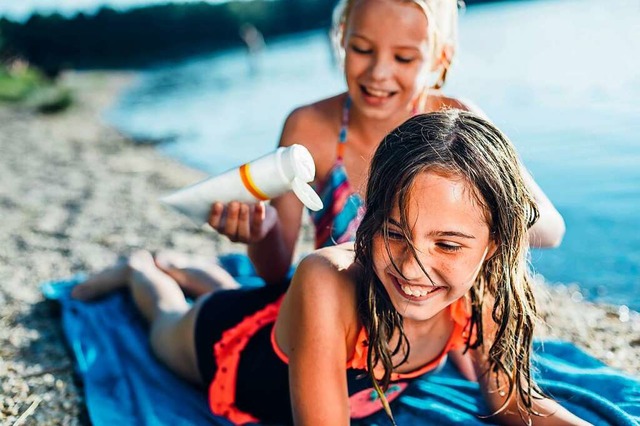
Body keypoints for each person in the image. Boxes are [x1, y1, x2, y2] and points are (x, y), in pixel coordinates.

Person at [73, 111, 587, 425]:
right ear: (370, 219)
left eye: (447, 245)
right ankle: (144, 266)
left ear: (493, 246)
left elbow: (514, 406)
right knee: (164, 317)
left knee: (253, 299)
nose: (414, 266)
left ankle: (197, 271)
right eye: (393, 233)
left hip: (292, 324)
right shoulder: (325, 275)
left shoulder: (484, 291)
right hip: (227, 346)